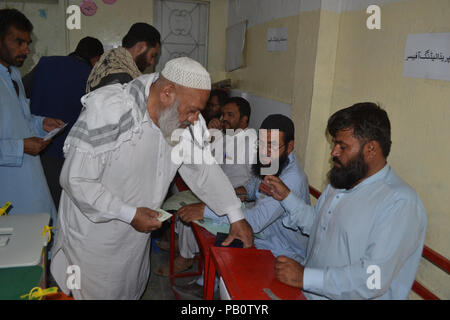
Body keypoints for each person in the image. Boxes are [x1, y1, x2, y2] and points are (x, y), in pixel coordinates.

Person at [50, 56, 253, 300]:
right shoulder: (110, 111)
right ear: (167, 92)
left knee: (128, 290)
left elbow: (203, 169)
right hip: (94, 240)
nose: (194, 119)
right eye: (192, 110)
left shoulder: (183, 118)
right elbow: (76, 181)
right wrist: (130, 213)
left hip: (134, 240)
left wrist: (235, 215)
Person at [264, 103, 427, 300]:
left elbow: (372, 279)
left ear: (371, 149)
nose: (334, 152)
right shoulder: (342, 181)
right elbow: (320, 226)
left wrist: (306, 277)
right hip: (308, 293)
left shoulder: (399, 203)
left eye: (342, 146)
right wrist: (287, 198)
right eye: (334, 144)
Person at [172, 114, 311, 298]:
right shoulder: (274, 160)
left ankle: (207, 286)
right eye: (261, 143)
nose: (264, 151)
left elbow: (255, 222)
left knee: (230, 235)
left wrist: (205, 210)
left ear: (290, 146)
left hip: (282, 250)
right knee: (223, 232)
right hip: (264, 237)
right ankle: (207, 284)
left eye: (271, 145)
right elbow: (252, 188)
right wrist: (232, 194)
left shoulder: (291, 178)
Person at [155, 96, 255, 276]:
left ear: (244, 120)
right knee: (181, 199)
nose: (224, 119)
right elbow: (202, 159)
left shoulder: (251, 144)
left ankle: (186, 257)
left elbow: (254, 184)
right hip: (217, 192)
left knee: (192, 209)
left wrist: (233, 195)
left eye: (230, 115)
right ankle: (183, 244)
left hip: (237, 200)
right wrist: (209, 132)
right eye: (223, 114)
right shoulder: (224, 137)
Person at [23, 37, 104, 208]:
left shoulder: (45, 64)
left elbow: (21, 91)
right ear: (96, 59)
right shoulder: (92, 78)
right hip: (66, 155)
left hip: (32, 147)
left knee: (37, 205)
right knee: (61, 207)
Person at [0, 9, 64, 224]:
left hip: (29, 180)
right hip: (8, 186)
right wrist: (21, 147)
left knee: (38, 240)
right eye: (19, 42)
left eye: (27, 43)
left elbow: (19, 120)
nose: (26, 50)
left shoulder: (12, 74)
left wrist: (40, 123)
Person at [86, 22, 160, 92]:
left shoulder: (109, 62)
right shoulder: (121, 77)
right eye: (152, 56)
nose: (152, 63)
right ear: (140, 48)